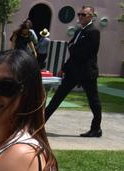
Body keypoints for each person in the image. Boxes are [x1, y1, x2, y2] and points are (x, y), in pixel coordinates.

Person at [44, 5, 102, 137]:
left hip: (87, 72)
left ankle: (96, 128)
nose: (80, 17)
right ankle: (40, 122)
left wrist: (72, 47)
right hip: (73, 72)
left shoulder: (93, 32)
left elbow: (86, 53)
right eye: (79, 14)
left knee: (93, 101)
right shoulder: (78, 31)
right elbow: (73, 52)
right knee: (57, 98)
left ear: (91, 16)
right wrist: (63, 68)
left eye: (84, 14)